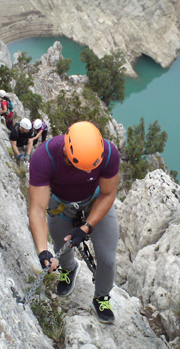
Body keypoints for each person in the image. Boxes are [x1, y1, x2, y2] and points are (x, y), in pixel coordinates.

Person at [28, 121, 120, 324]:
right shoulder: (45, 158)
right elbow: (37, 209)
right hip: (61, 206)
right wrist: (43, 250)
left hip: (96, 202)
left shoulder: (109, 154)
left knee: (107, 258)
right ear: (65, 151)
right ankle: (69, 269)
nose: (87, 173)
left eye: (91, 169)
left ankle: (102, 296)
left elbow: (108, 193)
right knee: (61, 246)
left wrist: (87, 227)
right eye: (79, 167)